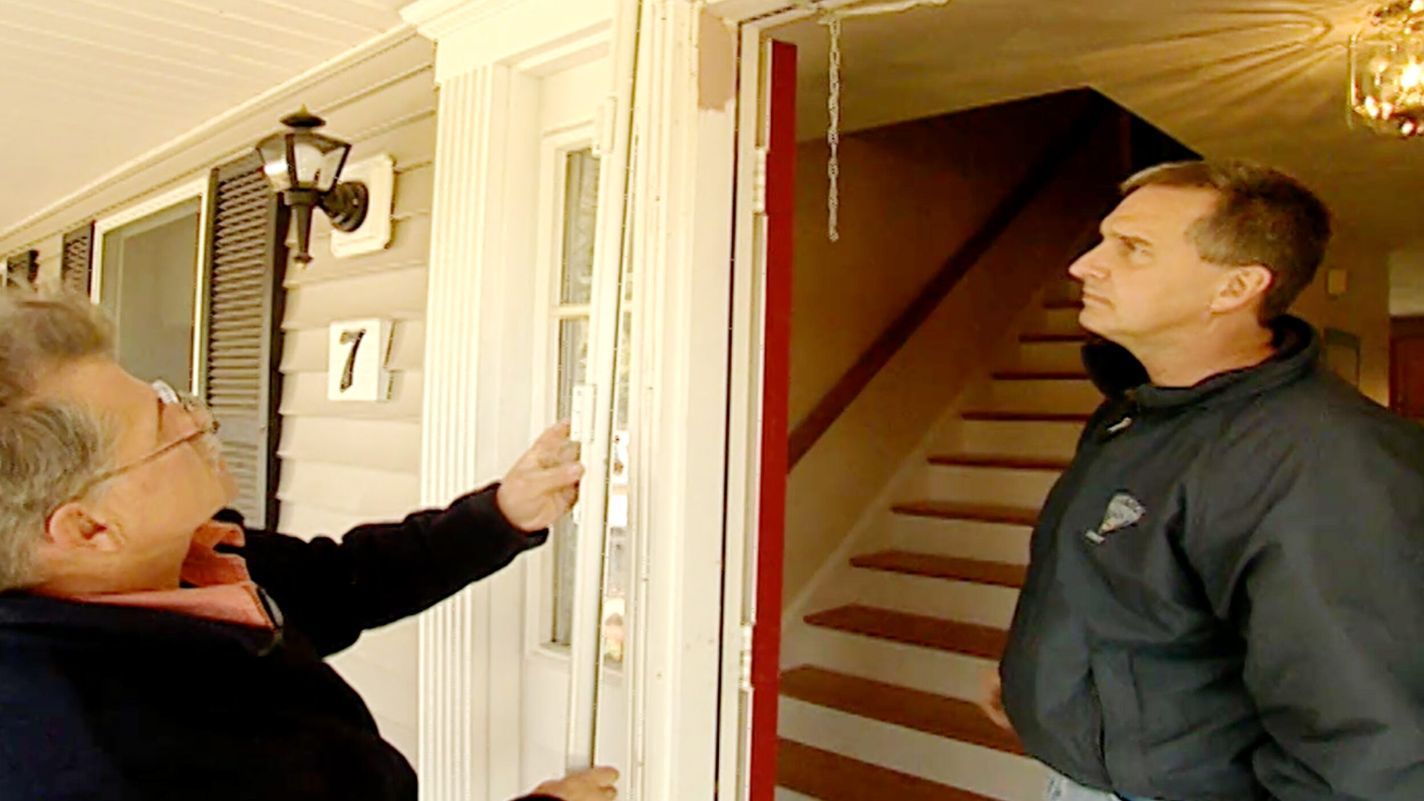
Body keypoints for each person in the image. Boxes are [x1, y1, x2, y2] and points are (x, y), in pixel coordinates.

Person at [0, 290, 618, 801]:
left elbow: (343, 582)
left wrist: (501, 515)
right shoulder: (96, 759)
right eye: (164, 426)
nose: (195, 416)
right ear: (89, 529)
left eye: (167, 396)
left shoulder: (188, 558)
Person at [980, 160, 1424, 801]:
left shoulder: (1325, 464)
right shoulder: (1134, 412)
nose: (1084, 265)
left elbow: (1366, 749)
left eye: (1131, 249)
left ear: (1235, 287)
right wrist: (1048, 679)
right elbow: (1124, 589)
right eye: (1103, 239)